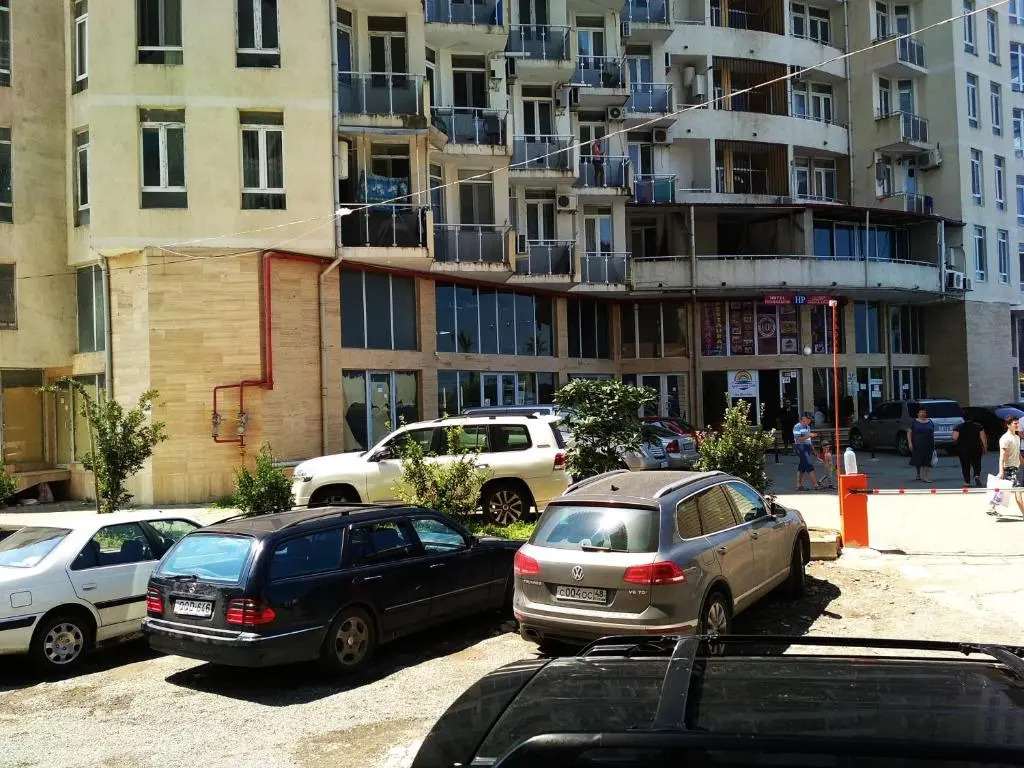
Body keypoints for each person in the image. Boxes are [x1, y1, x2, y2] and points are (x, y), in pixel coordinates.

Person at [993, 415, 1024, 517]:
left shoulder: (1017, 437)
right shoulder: (1005, 439)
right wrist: (1001, 471)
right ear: (1008, 425)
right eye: (1015, 423)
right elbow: (1002, 456)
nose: (1017, 425)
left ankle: (991, 507)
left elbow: (1017, 453)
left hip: (1016, 467)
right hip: (1009, 469)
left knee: (1002, 490)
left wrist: (1022, 462)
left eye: (1018, 423)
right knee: (1018, 490)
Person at [952, 413, 987, 487]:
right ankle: (977, 475)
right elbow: (983, 438)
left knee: (965, 465)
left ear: (964, 418)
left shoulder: (959, 426)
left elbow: (954, 437)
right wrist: (985, 447)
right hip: (976, 448)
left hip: (963, 449)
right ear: (972, 418)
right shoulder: (978, 426)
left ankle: (967, 482)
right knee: (977, 462)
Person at [793, 412, 823, 491]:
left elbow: (809, 441)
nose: (809, 421)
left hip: (806, 447)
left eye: (810, 419)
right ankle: (815, 484)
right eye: (808, 419)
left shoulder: (808, 427)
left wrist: (814, 451)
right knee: (809, 465)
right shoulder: (797, 426)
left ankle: (799, 485)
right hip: (800, 447)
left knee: (802, 466)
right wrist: (808, 435)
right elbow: (797, 439)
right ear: (803, 418)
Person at [907, 407, 935, 483]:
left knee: (927, 460)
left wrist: (934, 443)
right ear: (918, 413)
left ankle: (925, 477)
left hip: (928, 444)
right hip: (917, 444)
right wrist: (910, 443)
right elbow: (909, 432)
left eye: (924, 412)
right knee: (918, 460)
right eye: (921, 412)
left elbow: (932, 433)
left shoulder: (930, 422)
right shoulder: (914, 422)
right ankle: (918, 474)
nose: (923, 414)